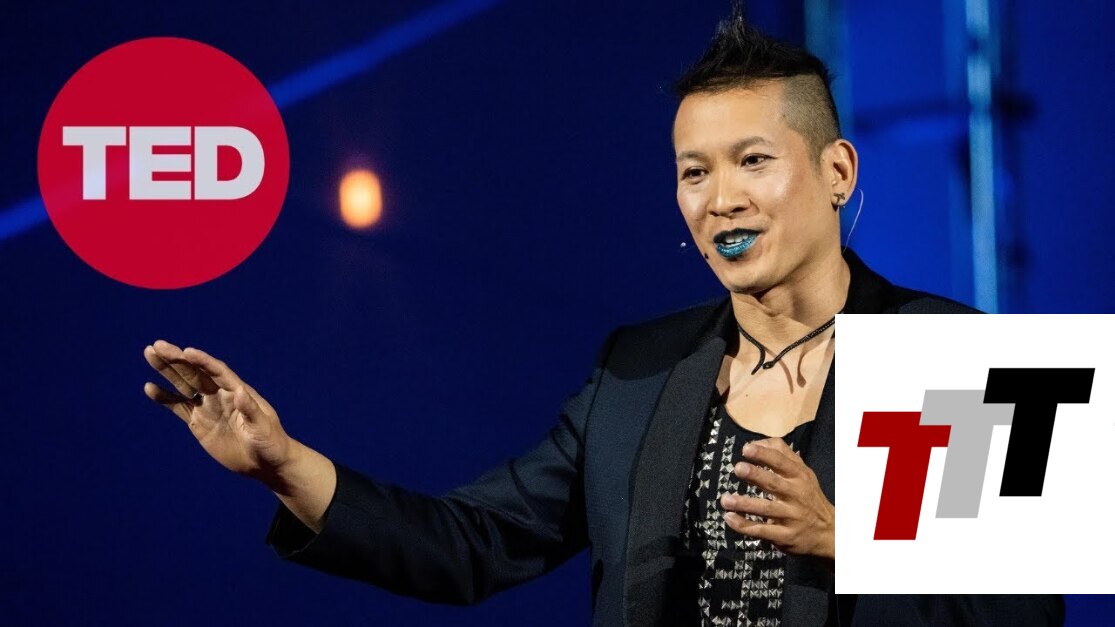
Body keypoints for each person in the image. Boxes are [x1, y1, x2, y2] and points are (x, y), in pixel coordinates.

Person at [142, 9, 1063, 627]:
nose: (721, 199)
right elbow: (473, 544)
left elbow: (1029, 608)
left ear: (837, 172)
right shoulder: (637, 371)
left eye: (751, 160)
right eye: (693, 172)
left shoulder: (964, 357)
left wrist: (854, 541)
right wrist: (282, 463)